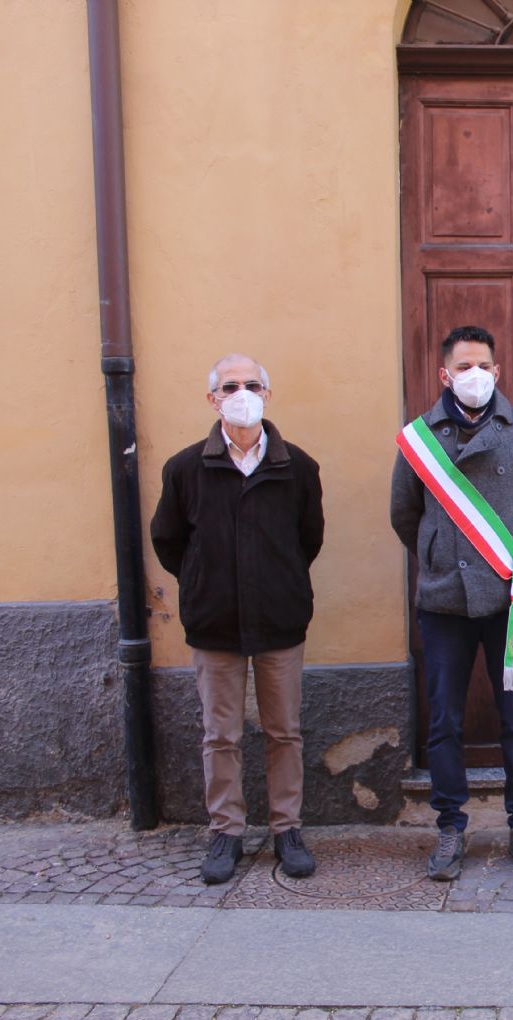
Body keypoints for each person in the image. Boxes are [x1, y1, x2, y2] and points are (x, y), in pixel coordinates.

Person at [390, 325, 513, 880]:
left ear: (497, 370)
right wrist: (439, 552)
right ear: (445, 374)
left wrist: (509, 558)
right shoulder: (419, 438)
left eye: (483, 365)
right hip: (444, 601)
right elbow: (404, 514)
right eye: (463, 367)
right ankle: (449, 826)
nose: (475, 375)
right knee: (445, 720)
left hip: (509, 599)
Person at [151, 354, 324, 885]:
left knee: (284, 732)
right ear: (213, 399)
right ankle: (226, 831)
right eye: (230, 386)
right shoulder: (185, 468)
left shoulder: (298, 467)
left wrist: (277, 579)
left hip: (279, 620)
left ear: (267, 394)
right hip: (215, 623)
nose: (241, 393)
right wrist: (204, 581)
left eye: (252, 384)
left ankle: (286, 829)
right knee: (220, 734)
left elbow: (308, 539)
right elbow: (169, 540)